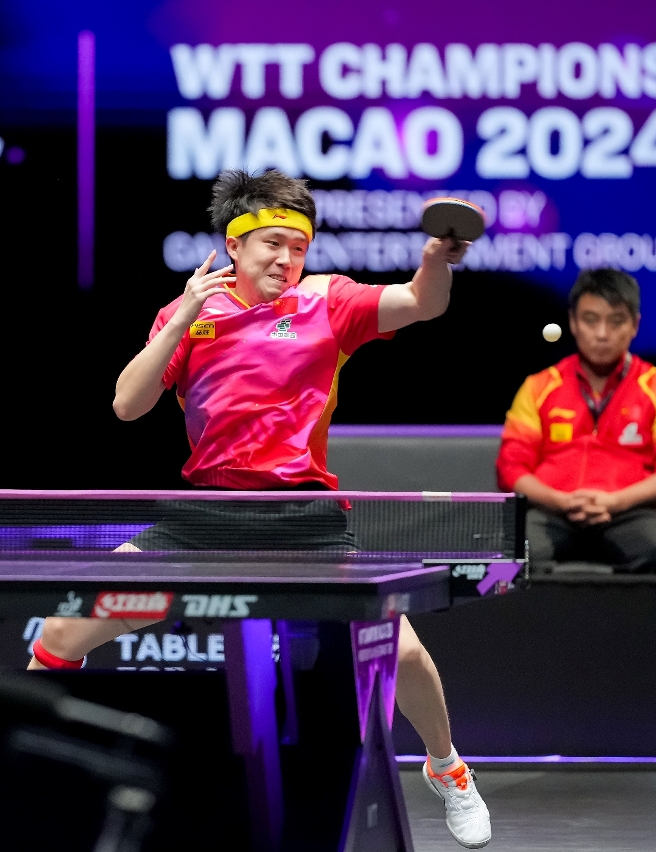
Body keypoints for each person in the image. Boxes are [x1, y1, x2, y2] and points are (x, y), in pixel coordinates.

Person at [28, 169, 492, 848]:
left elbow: (422, 303)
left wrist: (434, 260)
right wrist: (181, 317)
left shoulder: (329, 301)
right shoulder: (189, 314)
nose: (286, 259)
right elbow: (127, 405)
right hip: (204, 519)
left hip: (304, 519)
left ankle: (446, 766)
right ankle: (45, 783)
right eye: (273, 244)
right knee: (59, 634)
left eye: (298, 247)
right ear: (235, 245)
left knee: (406, 653)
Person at [497, 268, 656, 574]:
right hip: (553, 512)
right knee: (514, 554)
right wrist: (561, 501)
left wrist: (615, 501)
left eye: (616, 321)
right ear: (573, 322)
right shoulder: (539, 387)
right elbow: (511, 468)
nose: (602, 333)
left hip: (630, 512)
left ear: (635, 325)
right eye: (591, 320)